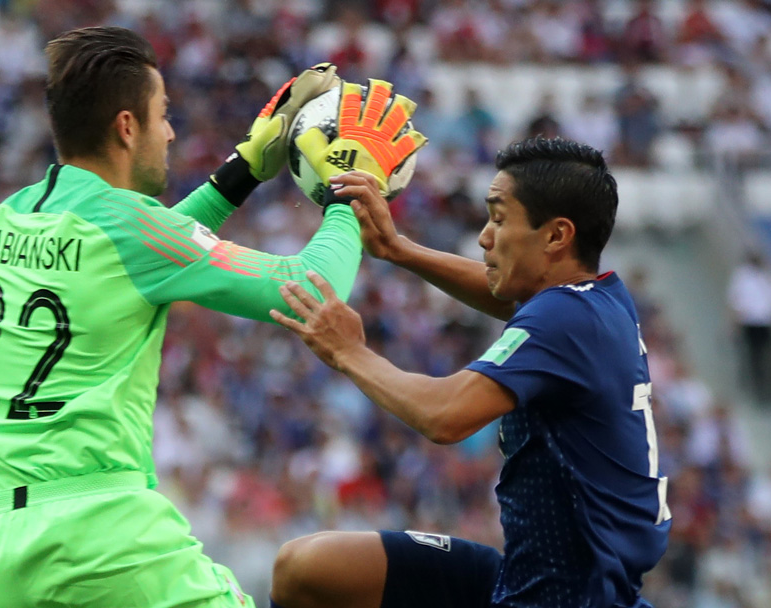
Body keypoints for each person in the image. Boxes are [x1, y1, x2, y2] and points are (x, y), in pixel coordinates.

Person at [0, 26, 422, 608]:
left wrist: (243, 170)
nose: (170, 131)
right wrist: (351, 189)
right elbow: (311, 288)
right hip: (98, 541)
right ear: (127, 127)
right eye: (162, 115)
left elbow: (146, 249)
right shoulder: (133, 230)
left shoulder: (12, 216)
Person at [268, 137, 671, 608]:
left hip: (568, 598)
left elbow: (444, 415)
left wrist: (349, 352)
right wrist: (398, 249)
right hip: (533, 578)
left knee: (309, 571)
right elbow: (505, 294)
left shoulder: (564, 319)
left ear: (557, 236)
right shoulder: (599, 302)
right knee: (309, 568)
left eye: (499, 219)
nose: (484, 236)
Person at [727, 250, 771, 402]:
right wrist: (735, 324)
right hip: (752, 322)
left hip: (765, 322)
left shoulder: (768, 275)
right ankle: (759, 389)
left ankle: (768, 389)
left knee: (766, 357)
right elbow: (736, 302)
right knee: (756, 357)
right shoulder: (744, 276)